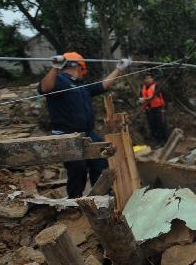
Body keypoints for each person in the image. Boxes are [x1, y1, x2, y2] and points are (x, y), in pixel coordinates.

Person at [38, 52, 131, 198]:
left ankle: (101, 196)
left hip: (87, 133)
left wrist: (118, 68)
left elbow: (103, 85)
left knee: (100, 160)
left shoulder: (81, 86)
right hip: (67, 135)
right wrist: (54, 68)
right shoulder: (59, 80)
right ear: (80, 67)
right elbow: (44, 88)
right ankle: (75, 202)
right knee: (77, 168)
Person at [139, 71, 167, 146]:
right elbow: (140, 96)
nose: (147, 80)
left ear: (152, 79)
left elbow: (154, 96)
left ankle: (164, 142)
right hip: (149, 109)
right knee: (152, 126)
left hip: (158, 109)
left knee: (161, 125)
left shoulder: (157, 86)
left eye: (149, 78)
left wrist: (145, 99)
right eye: (146, 78)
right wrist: (140, 101)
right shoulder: (142, 86)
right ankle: (157, 142)